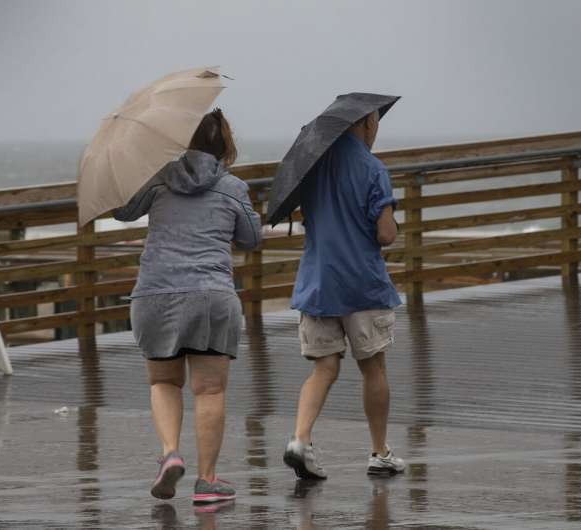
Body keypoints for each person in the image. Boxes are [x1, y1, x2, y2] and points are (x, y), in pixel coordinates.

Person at [113, 108, 262, 503]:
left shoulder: (161, 178)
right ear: (224, 144)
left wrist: (140, 163)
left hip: (155, 294)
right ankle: (207, 481)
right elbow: (250, 238)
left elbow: (122, 211)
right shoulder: (233, 187)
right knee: (209, 390)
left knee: (164, 382)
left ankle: (169, 455)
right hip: (210, 296)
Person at [283, 109, 406, 480]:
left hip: (317, 283)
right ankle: (379, 451)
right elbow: (385, 234)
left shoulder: (312, 168)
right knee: (373, 367)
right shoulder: (372, 169)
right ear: (366, 123)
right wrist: (391, 222)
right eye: (376, 123)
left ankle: (300, 441)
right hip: (361, 284)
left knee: (324, 367)